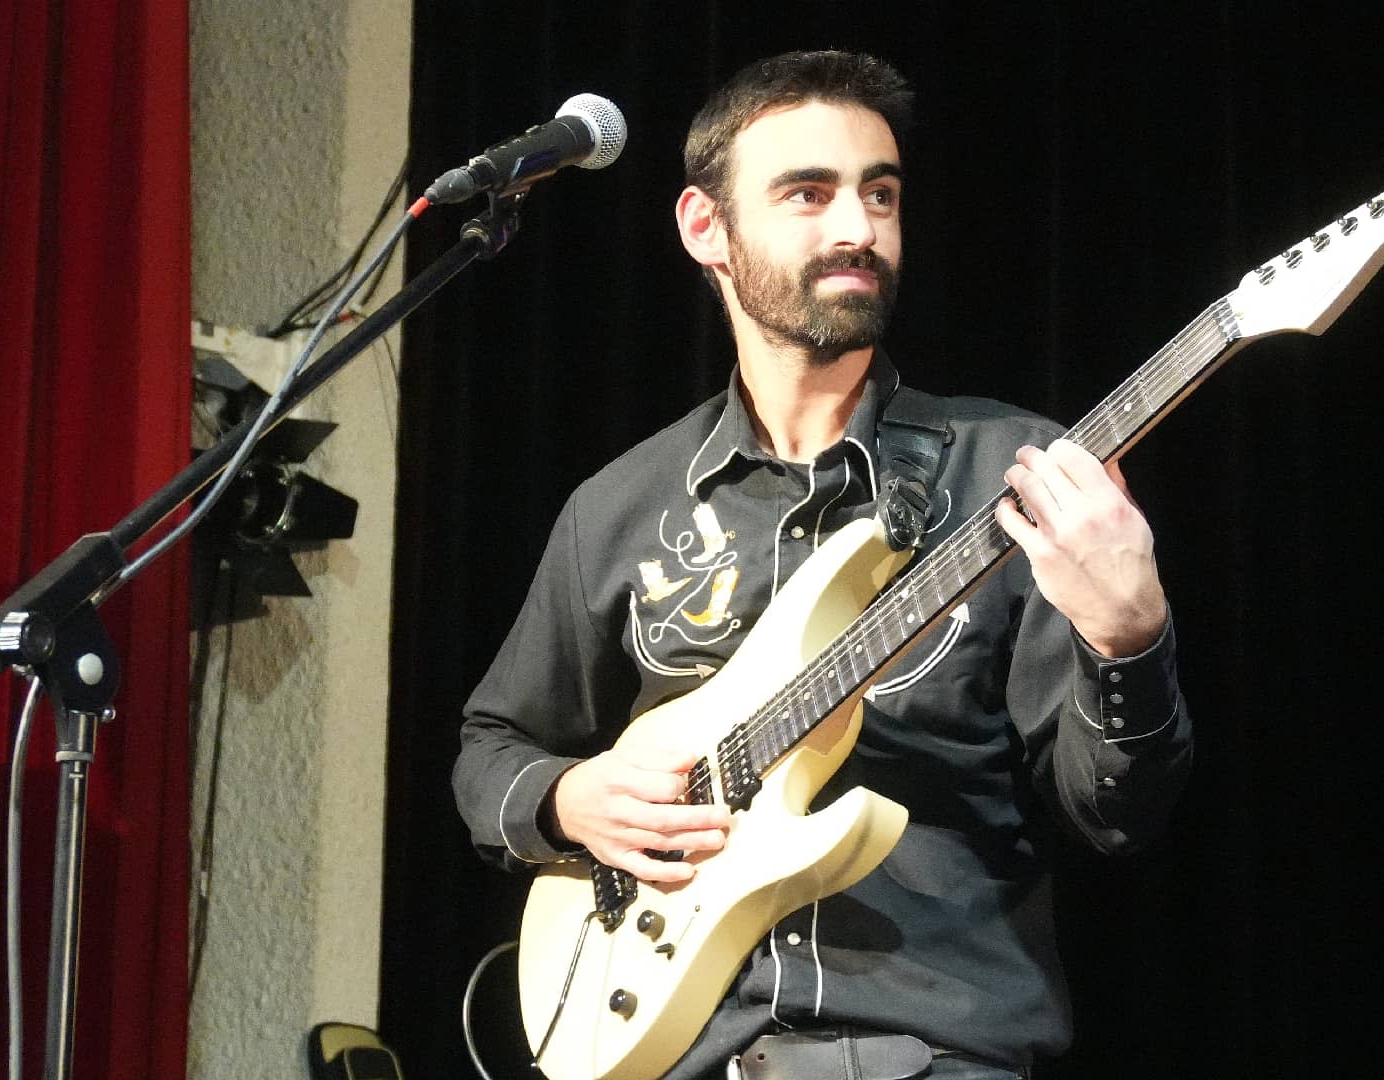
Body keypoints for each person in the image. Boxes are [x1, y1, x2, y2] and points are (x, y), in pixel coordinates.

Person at [454, 50, 1191, 1080]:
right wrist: (569, 800)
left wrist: (1130, 638)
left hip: (932, 1057)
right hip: (676, 1050)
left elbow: (1115, 812)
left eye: (879, 195)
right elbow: (492, 746)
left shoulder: (1011, 473)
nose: (858, 229)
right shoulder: (620, 508)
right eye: (809, 193)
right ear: (705, 228)